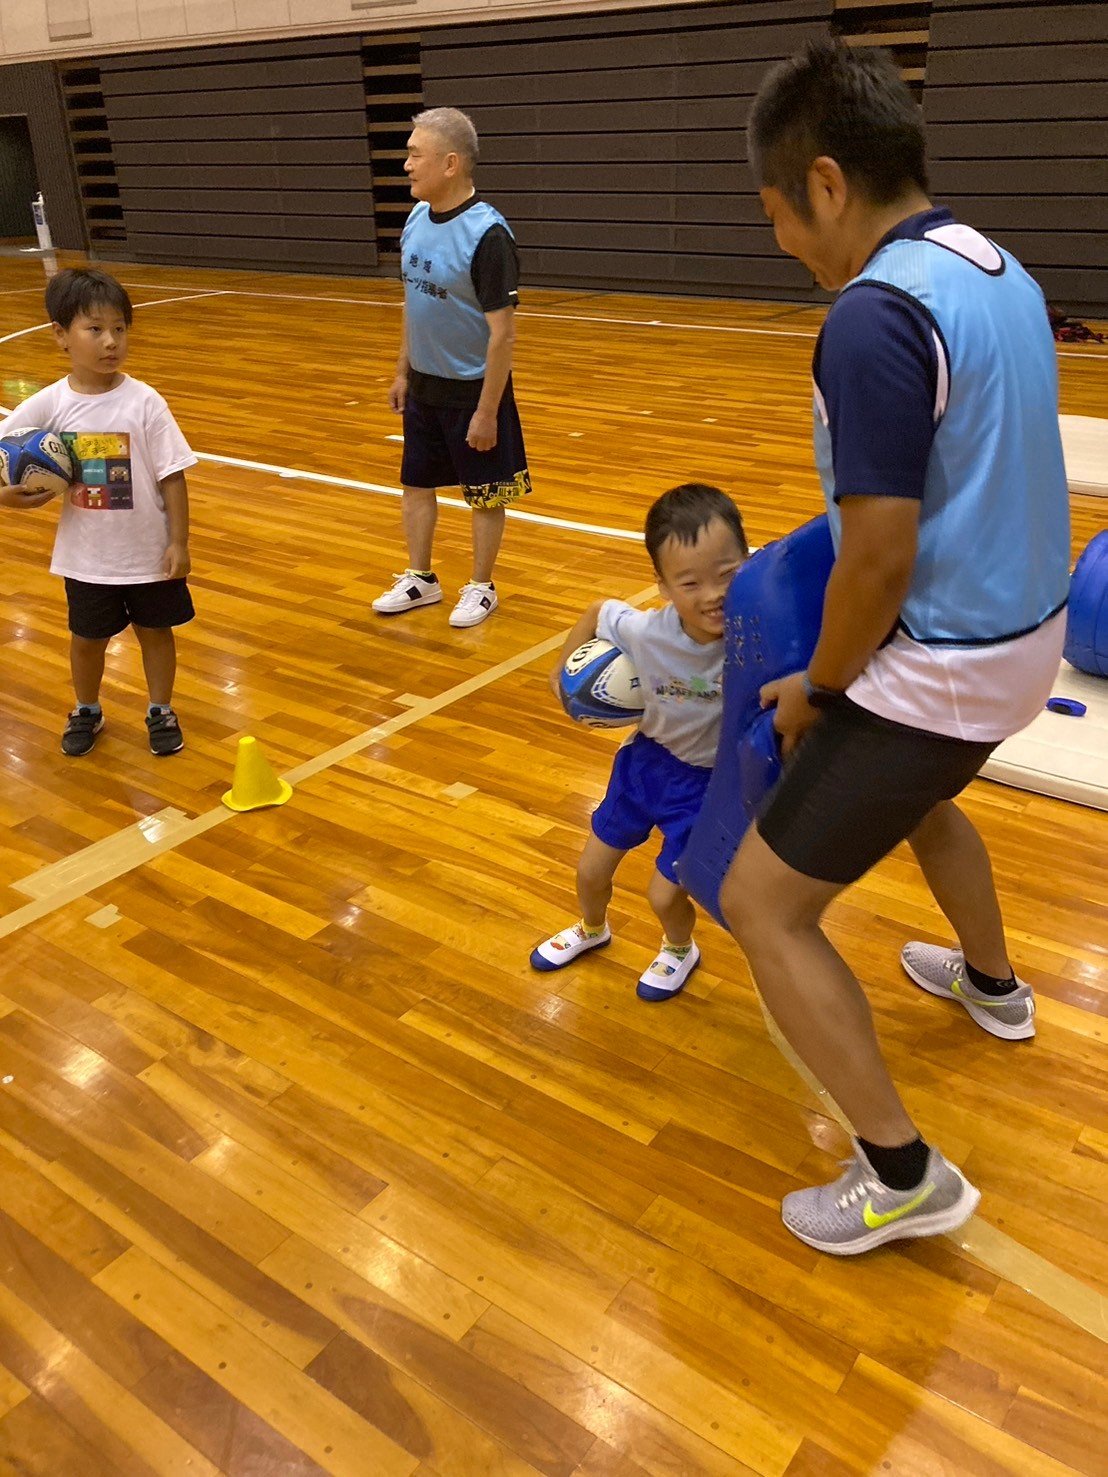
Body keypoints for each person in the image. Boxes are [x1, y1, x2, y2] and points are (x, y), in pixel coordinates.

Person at [720, 41, 1071, 1254]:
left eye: (776, 214)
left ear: (824, 184)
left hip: (945, 670)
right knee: (922, 802)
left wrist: (819, 688)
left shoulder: (872, 316)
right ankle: (992, 986)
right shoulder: (995, 265)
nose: (781, 243)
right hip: (1025, 646)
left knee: (761, 905)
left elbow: (874, 560)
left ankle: (901, 1171)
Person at [532, 484, 749, 1000]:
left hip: (708, 788)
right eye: (690, 582)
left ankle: (679, 949)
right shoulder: (647, 631)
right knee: (590, 871)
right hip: (644, 764)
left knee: (664, 895)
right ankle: (592, 928)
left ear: (748, 561)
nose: (712, 594)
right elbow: (597, 611)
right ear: (663, 587)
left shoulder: (756, 637)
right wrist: (559, 674)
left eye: (727, 573)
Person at [0, 268, 196, 757]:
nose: (111, 341)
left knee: (156, 633)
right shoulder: (51, 402)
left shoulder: (145, 401)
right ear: (61, 335)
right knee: (86, 639)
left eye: (119, 329)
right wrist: (4, 497)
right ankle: (87, 708)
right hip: (86, 559)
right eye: (95, 329)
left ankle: (161, 709)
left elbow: (173, 475)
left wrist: (179, 542)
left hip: (149, 555)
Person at [373, 107, 530, 630]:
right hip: (424, 386)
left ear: (450, 163)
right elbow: (413, 303)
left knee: (485, 495)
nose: (406, 165)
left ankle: (482, 586)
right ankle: (421, 578)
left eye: (415, 154)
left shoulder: (488, 235)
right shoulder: (416, 218)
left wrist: (486, 412)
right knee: (416, 484)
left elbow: (503, 334)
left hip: (473, 391)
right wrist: (403, 371)